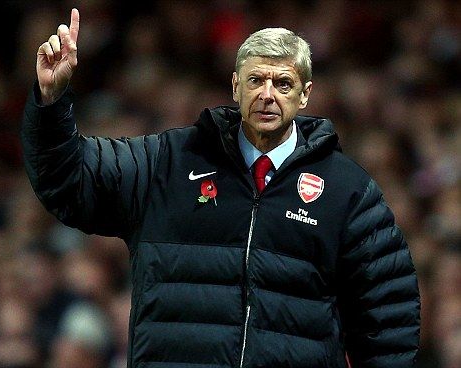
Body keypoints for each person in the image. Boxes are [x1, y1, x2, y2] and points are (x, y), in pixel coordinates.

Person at [21, 8, 420, 368]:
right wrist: (52, 100)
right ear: (234, 87)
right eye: (255, 80)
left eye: (283, 83)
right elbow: (69, 180)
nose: (267, 94)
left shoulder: (347, 192)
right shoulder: (168, 162)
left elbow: (389, 322)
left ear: (305, 94)